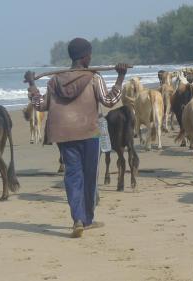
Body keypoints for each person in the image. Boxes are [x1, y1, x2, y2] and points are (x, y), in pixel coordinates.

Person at [25, 37, 128, 238]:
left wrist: (31, 85)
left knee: (73, 176)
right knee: (90, 176)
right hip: (89, 133)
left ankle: (78, 220)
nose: (91, 57)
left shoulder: (54, 81)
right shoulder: (94, 78)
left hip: (64, 135)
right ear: (84, 56)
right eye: (89, 54)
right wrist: (120, 77)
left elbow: (40, 105)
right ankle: (87, 218)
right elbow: (109, 101)